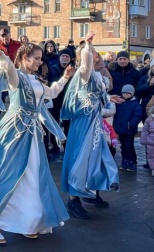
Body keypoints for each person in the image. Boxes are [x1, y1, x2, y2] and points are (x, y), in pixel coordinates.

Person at [0, 43, 73, 244]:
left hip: (32, 132)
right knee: (8, 174)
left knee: (31, 176)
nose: (40, 62)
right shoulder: (16, 77)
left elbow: (51, 93)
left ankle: (27, 222)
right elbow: (8, 68)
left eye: (41, 58)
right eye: (36, 58)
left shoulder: (36, 79)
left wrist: (65, 77)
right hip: (15, 131)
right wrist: (1, 55)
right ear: (24, 57)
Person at [61, 32, 120, 220]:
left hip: (95, 121)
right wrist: (87, 44)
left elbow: (97, 96)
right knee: (81, 158)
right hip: (84, 123)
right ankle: (73, 199)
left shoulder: (96, 74)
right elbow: (86, 67)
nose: (95, 53)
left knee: (98, 156)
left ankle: (93, 192)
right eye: (92, 52)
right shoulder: (84, 73)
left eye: (95, 51)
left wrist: (110, 98)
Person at [114, 84, 142, 171]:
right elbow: (116, 115)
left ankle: (132, 161)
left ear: (132, 94)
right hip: (120, 128)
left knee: (129, 146)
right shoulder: (119, 103)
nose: (125, 95)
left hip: (130, 130)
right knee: (123, 146)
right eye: (124, 93)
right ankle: (125, 160)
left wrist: (132, 124)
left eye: (127, 93)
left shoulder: (136, 104)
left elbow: (138, 116)